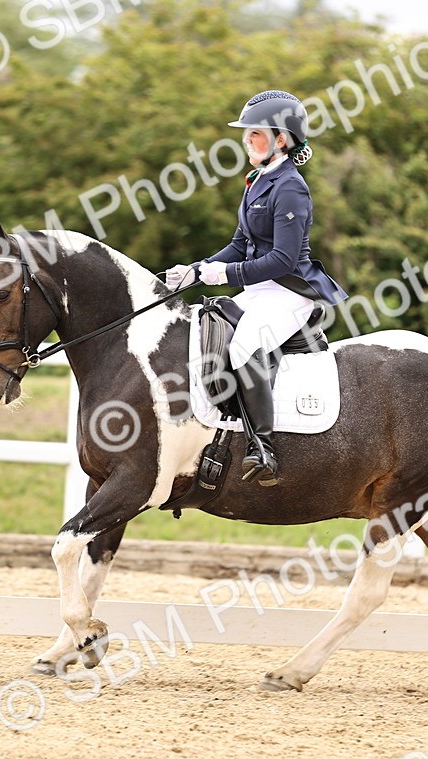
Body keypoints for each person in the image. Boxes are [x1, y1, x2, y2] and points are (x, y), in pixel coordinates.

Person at [167, 90, 348, 486]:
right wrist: (197, 270)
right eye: (247, 134)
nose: (247, 140)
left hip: (290, 289)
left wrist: (226, 276)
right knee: (205, 324)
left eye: (255, 134)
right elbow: (238, 245)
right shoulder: (257, 181)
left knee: (245, 344)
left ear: (281, 139)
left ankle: (263, 448)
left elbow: (282, 260)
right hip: (263, 287)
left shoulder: (291, 188)